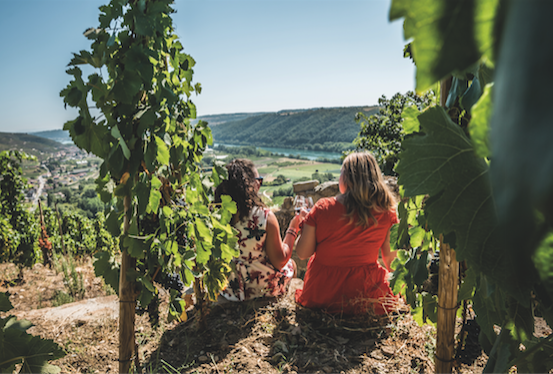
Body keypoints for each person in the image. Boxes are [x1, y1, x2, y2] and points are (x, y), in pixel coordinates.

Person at [294, 152, 399, 315]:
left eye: (341, 172)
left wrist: (303, 224)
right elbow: (392, 263)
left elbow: (302, 253)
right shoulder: (387, 212)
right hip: (367, 296)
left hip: (322, 295)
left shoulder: (323, 208)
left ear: (348, 178)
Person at [215, 159, 305, 301]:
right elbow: (280, 261)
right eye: (259, 181)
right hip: (261, 290)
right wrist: (293, 228)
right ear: (250, 184)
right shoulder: (263, 217)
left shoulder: (217, 214)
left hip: (230, 290)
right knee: (291, 264)